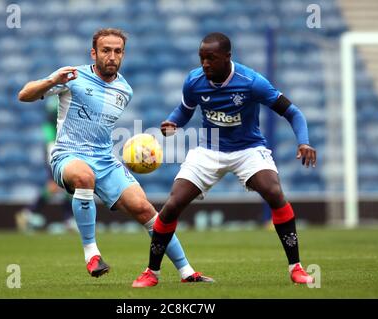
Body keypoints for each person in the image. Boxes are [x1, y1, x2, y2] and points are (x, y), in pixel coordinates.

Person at [18, 28, 212, 282]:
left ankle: (187, 272)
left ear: (123, 54)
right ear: (94, 53)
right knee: (84, 176)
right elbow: (24, 95)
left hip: (105, 160)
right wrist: (52, 80)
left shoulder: (125, 91)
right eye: (106, 50)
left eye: (117, 51)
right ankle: (92, 255)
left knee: (144, 209)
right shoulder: (72, 77)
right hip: (67, 154)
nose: (112, 56)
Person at [132, 32, 317, 288]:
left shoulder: (251, 82)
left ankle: (296, 268)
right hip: (209, 150)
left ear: (227, 57)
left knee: (274, 193)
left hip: (248, 149)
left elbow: (293, 112)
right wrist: (173, 122)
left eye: (211, 58)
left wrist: (304, 141)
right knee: (173, 204)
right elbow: (184, 111)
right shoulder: (194, 81)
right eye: (201, 58)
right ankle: (152, 272)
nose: (205, 63)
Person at [15, 95, 75, 233]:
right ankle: (29, 213)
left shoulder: (58, 119)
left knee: (68, 184)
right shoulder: (51, 125)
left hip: (59, 148)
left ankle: (68, 219)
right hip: (54, 150)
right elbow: (50, 143)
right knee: (55, 185)